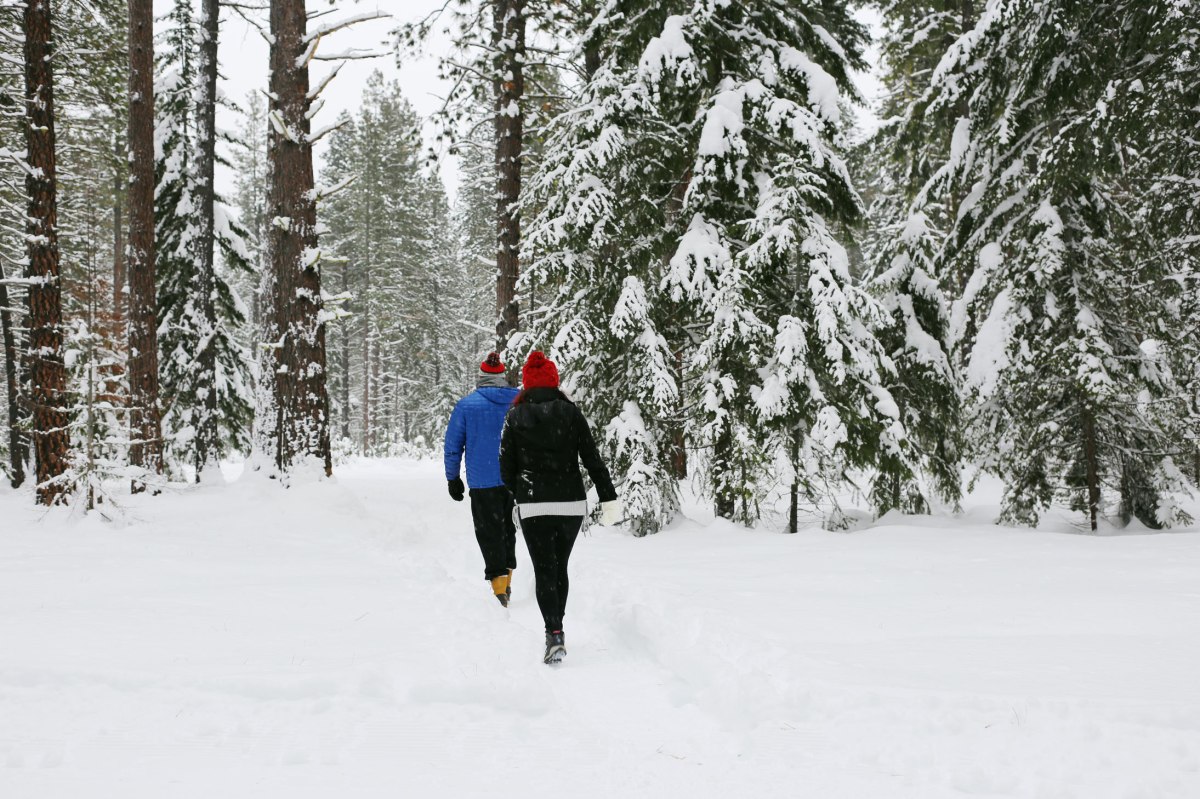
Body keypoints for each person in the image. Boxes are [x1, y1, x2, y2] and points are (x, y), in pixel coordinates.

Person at [500, 351, 621, 665]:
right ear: (555, 383)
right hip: (569, 503)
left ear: (526, 384)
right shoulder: (571, 414)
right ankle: (557, 625)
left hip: (533, 503)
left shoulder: (514, 417)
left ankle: (553, 631)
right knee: (559, 567)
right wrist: (608, 497)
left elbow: (505, 468)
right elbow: (592, 459)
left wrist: (522, 491)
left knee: (544, 569)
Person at [444, 352, 521, 606]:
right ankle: (507, 580)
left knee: (489, 532)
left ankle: (499, 588)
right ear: (502, 376)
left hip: (482, 481)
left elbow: (453, 446)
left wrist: (452, 478)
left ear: (481, 377)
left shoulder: (467, 405)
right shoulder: (518, 401)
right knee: (509, 529)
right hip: (514, 479)